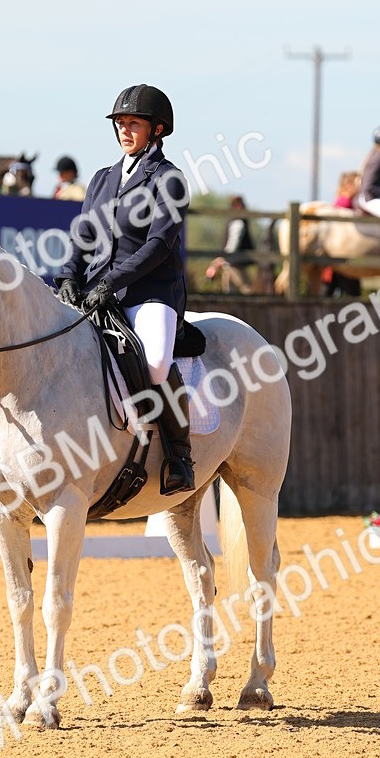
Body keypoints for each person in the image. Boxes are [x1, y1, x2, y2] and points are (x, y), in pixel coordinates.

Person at [55, 84, 194, 494]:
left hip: (150, 293)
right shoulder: (101, 179)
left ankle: (179, 455)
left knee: (153, 363)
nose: (124, 130)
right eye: (120, 123)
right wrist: (68, 276)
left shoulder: (169, 180)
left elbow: (157, 245)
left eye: (133, 123)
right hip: (98, 291)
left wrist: (110, 282)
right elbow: (83, 237)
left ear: (158, 129)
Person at [205, 195, 255, 293]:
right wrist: (224, 257)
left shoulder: (235, 221)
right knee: (247, 289)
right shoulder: (238, 222)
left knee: (230, 291)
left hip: (231, 261)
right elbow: (233, 244)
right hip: (234, 263)